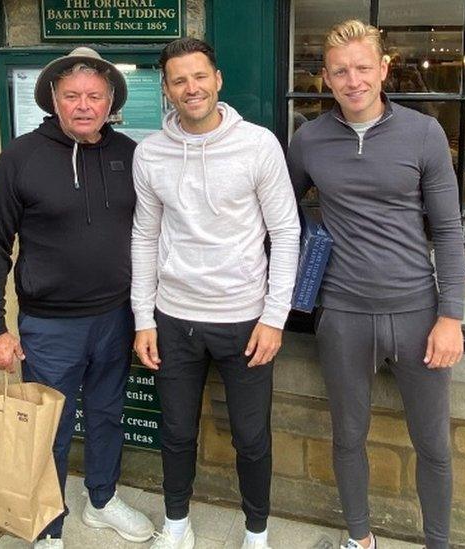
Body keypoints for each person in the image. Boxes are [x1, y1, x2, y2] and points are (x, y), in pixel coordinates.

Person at [286, 20, 465, 549]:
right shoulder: (309, 140)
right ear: (325, 77)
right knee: (348, 437)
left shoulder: (423, 133)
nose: (353, 80)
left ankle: (438, 542)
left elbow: (450, 228)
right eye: (340, 71)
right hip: (342, 314)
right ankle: (360, 540)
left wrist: (451, 315)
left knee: (433, 444)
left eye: (364, 67)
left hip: (417, 313)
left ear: (384, 69)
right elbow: (278, 214)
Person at [0, 47, 154, 549]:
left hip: (116, 316)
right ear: (53, 98)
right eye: (71, 95)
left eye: (95, 95)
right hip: (50, 326)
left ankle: (101, 501)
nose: (83, 105)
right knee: (47, 425)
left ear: (111, 100)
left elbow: (151, 232)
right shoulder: (20, 157)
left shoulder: (128, 154)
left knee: (106, 413)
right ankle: (47, 525)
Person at [130, 37, 300, 549]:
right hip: (173, 320)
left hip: (245, 322)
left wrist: (274, 316)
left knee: (250, 439)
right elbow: (144, 235)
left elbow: (287, 231)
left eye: (199, 76)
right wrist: (143, 317)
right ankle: (177, 525)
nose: (191, 88)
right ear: (166, 89)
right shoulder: (151, 152)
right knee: (177, 433)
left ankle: (256, 533)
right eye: (179, 80)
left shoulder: (258, 145)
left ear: (217, 79)